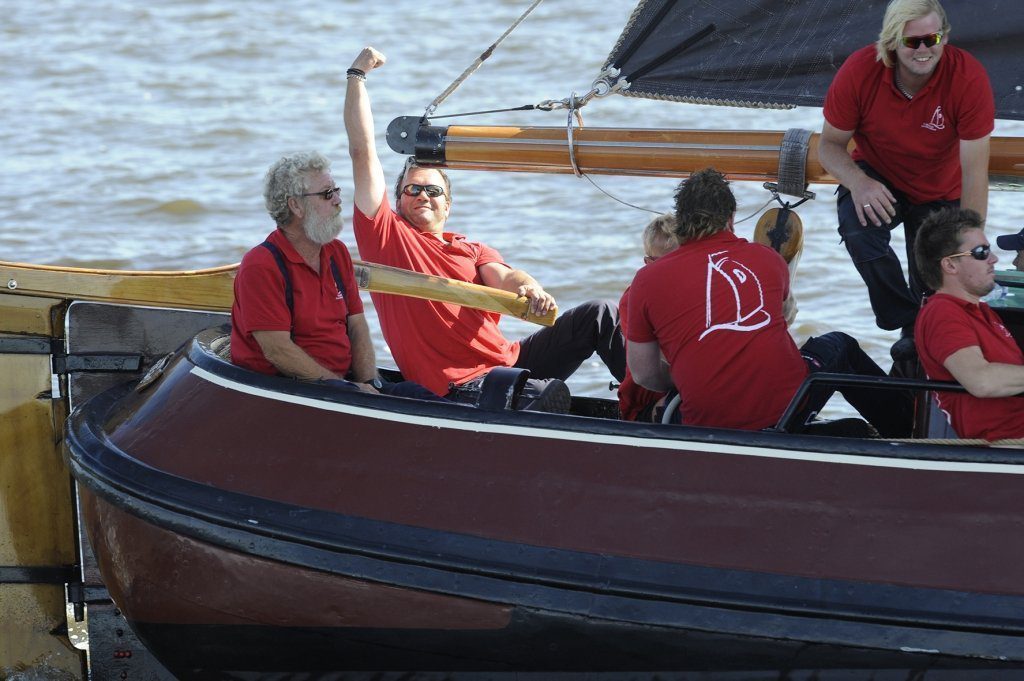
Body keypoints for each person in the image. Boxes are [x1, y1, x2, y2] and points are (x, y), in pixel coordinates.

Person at [344, 46, 625, 398]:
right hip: (460, 383)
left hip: (511, 361)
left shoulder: (471, 248)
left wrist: (531, 289)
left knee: (600, 314)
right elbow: (362, 151)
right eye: (412, 189)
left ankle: (652, 401)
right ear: (398, 200)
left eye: (433, 190)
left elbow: (506, 278)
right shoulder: (386, 236)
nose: (422, 196)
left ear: (448, 205)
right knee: (546, 394)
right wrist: (357, 76)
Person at [627, 168, 912, 436]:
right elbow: (776, 322)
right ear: (731, 218)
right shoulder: (767, 259)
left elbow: (644, 374)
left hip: (703, 422)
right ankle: (907, 432)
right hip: (787, 412)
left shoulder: (646, 279)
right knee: (841, 345)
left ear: (681, 220)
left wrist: (694, 378)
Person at [817, 0, 995, 361]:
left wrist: (973, 241)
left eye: (932, 38)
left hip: (941, 188)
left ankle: (923, 334)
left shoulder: (967, 77)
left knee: (936, 276)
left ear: (944, 36)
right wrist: (858, 182)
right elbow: (829, 146)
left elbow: (976, 171)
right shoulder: (859, 71)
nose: (924, 49)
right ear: (891, 42)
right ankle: (904, 316)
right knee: (859, 230)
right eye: (912, 41)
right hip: (879, 174)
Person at [231, 152, 436, 400]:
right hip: (287, 393)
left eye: (336, 190)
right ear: (295, 205)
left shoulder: (336, 252)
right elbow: (278, 351)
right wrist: (352, 391)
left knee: (418, 395)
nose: (338, 200)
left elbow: (357, 325)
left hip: (340, 386)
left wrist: (370, 383)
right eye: (327, 193)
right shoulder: (261, 265)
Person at [913, 208, 1024, 440]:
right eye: (981, 252)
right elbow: (981, 381)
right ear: (950, 265)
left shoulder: (983, 312)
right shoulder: (942, 312)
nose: (994, 259)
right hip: (1009, 444)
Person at [618, 213, 678, 421]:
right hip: (647, 400)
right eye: (662, 263)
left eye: (678, 262)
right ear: (647, 262)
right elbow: (652, 368)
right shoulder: (632, 300)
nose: (671, 272)